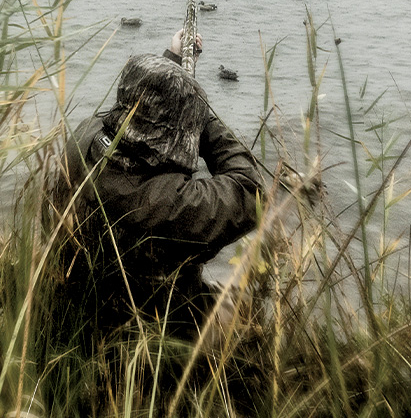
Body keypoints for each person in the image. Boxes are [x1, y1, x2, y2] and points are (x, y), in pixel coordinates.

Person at [49, 30, 265, 349]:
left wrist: (172, 64)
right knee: (246, 311)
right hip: (153, 334)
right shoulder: (170, 204)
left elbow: (139, 106)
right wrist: (201, 115)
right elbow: (250, 190)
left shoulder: (86, 136)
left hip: (82, 304)